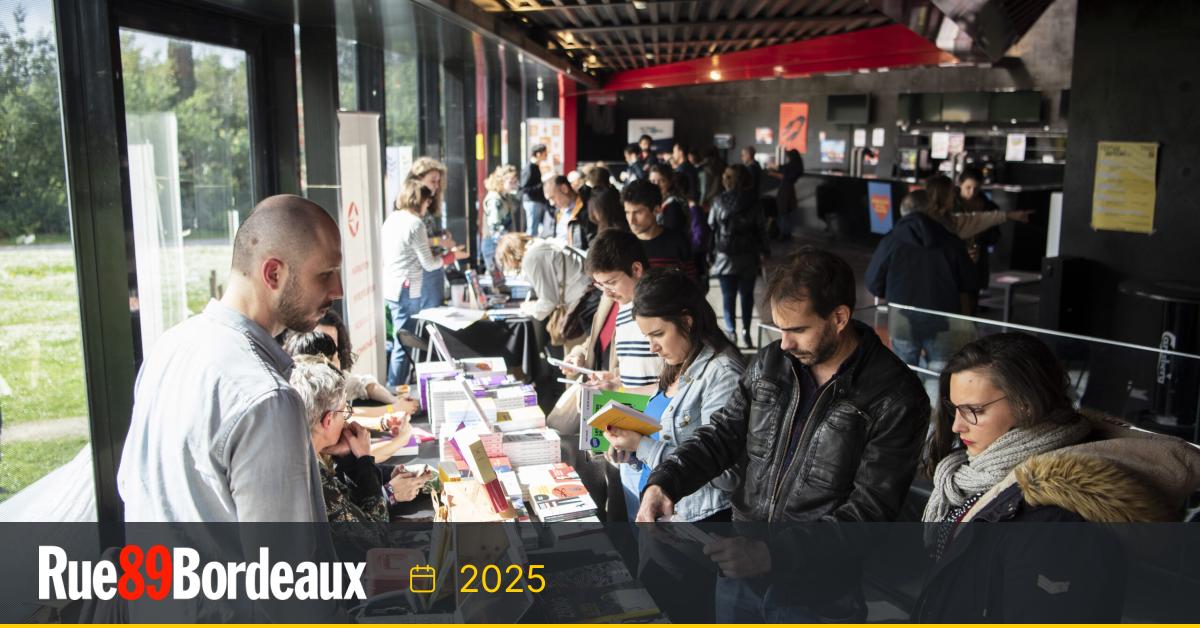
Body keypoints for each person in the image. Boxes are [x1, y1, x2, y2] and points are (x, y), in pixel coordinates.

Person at [638, 247, 930, 622]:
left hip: (818, 594)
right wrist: (665, 482)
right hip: (739, 570)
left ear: (839, 317)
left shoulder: (896, 395)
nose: (785, 343)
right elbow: (722, 434)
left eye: (798, 329)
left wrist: (773, 554)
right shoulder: (772, 361)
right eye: (780, 328)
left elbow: (871, 511)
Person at [914, 333, 1200, 622]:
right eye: (954, 409)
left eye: (974, 411)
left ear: (1026, 405)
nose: (957, 426)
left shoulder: (1058, 522)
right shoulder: (976, 473)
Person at [118, 194, 344, 522]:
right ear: (273, 274)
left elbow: (132, 485)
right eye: (326, 274)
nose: (338, 290)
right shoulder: (267, 399)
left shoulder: (167, 348)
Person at [606, 268, 744, 522]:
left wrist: (642, 445)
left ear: (686, 321)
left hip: (695, 523)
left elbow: (728, 475)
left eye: (658, 334)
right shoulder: (678, 362)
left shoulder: (723, 374)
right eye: (647, 337)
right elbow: (664, 441)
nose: (653, 347)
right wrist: (630, 450)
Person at [290, 355, 432, 524]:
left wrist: (350, 459)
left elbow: (348, 500)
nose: (347, 421)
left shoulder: (304, 451)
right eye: (344, 412)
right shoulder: (310, 477)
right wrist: (367, 463)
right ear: (328, 420)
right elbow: (371, 532)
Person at [865, 189, 977, 373]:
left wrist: (895, 291)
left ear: (903, 212)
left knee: (904, 372)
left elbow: (873, 283)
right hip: (944, 320)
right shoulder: (951, 242)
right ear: (932, 211)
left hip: (902, 318)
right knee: (938, 374)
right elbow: (970, 282)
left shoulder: (891, 241)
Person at [383, 178, 454, 387]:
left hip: (392, 287)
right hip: (407, 287)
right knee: (404, 344)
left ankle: (396, 387)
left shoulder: (392, 219)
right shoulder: (415, 224)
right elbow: (429, 264)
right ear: (419, 200)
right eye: (427, 201)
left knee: (400, 340)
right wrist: (451, 257)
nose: (428, 205)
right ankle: (396, 389)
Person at [709, 163, 769, 348]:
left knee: (728, 297)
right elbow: (761, 229)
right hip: (748, 256)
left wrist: (709, 254)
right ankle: (746, 332)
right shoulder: (754, 201)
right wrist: (765, 251)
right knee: (747, 296)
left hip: (725, 256)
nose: (723, 179)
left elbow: (712, 227)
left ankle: (731, 332)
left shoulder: (719, 200)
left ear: (734, 180)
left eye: (727, 176)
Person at [494, 233, 591, 331]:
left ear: (509, 256)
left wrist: (530, 308)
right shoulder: (537, 246)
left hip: (583, 298)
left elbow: (549, 300)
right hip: (587, 288)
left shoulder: (531, 258)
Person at [409, 157, 461, 311]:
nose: (436, 186)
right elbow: (415, 240)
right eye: (433, 181)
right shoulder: (411, 207)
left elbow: (427, 233)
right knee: (429, 311)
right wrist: (439, 241)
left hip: (434, 264)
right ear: (418, 179)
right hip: (423, 267)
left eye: (438, 181)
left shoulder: (429, 203)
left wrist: (441, 234)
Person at [621, 178, 696, 281]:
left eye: (638, 212)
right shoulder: (623, 245)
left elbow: (692, 283)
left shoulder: (678, 242)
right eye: (627, 212)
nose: (631, 220)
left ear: (657, 210)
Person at [481, 164, 519, 271]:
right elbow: (494, 226)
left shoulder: (505, 197)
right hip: (494, 243)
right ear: (501, 181)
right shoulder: (494, 199)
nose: (514, 185)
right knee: (498, 278)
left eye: (515, 181)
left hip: (500, 242)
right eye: (511, 182)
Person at [544, 174, 594, 249]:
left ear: (564, 189)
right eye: (549, 200)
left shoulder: (587, 209)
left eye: (552, 197)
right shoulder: (556, 212)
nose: (551, 203)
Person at [767, 148, 804, 241]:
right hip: (788, 190)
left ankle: (784, 234)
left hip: (785, 191)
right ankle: (786, 234)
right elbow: (784, 176)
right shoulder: (797, 167)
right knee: (785, 214)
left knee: (783, 213)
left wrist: (771, 169)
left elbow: (782, 171)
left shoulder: (791, 166)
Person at [647, 163, 690, 235]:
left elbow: (671, 235)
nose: (656, 185)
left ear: (669, 182)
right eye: (652, 181)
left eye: (661, 181)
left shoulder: (673, 205)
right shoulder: (657, 200)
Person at [520, 144, 551, 236]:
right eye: (545, 154)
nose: (546, 156)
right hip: (532, 201)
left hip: (536, 201)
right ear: (538, 154)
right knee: (532, 229)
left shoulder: (535, 166)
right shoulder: (530, 167)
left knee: (536, 227)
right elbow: (524, 188)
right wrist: (541, 184)